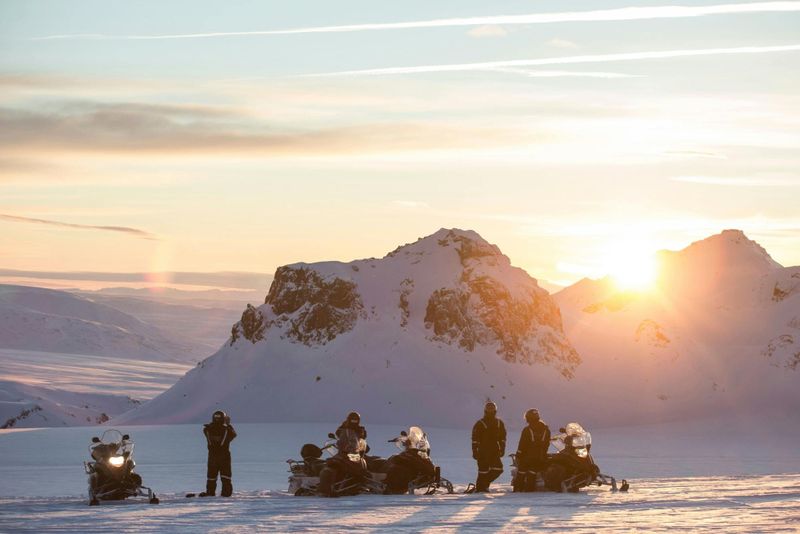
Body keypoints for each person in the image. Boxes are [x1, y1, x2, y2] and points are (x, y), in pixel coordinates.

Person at [318, 411, 368, 497]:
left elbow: (361, 438)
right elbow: (339, 434)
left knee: (362, 465)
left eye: (356, 420)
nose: (354, 422)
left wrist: (362, 441)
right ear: (349, 419)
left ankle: (361, 483)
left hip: (354, 451)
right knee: (334, 462)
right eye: (352, 420)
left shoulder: (360, 429)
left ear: (358, 420)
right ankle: (328, 486)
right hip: (344, 450)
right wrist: (340, 440)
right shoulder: (343, 427)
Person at [470, 401, 506, 493]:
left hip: (494, 450)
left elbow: (502, 438)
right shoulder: (480, 423)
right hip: (483, 451)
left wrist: (502, 449)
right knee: (483, 471)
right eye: (489, 409)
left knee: (498, 469)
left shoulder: (499, 423)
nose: (490, 411)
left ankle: (483, 485)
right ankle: (481, 489)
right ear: (485, 410)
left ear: (495, 410)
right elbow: (475, 439)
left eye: (492, 409)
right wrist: (475, 450)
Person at [200, 410, 237, 497]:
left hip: (212, 456)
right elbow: (233, 435)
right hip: (224, 455)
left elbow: (206, 430)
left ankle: (210, 492)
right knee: (225, 476)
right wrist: (228, 424)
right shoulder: (226, 430)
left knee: (211, 476)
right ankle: (226, 493)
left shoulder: (208, 429)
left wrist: (212, 424)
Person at [513, 408, 551, 492]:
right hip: (540, 457)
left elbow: (522, 445)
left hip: (527, 458)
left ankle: (518, 490)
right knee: (532, 472)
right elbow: (547, 444)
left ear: (528, 418)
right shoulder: (546, 430)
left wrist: (518, 455)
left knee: (521, 471)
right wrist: (543, 454)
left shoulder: (527, 430)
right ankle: (529, 490)